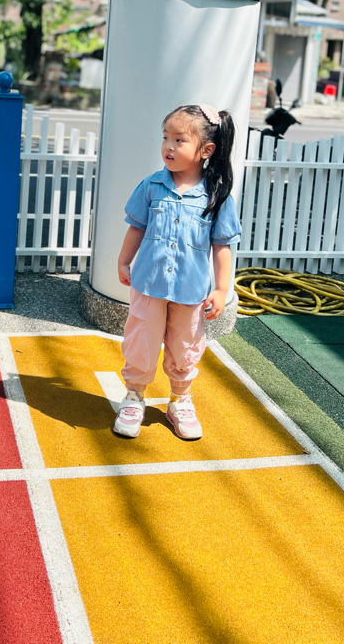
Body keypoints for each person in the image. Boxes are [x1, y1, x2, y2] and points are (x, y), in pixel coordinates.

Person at [113, 104, 242, 441]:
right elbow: (136, 227)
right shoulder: (152, 186)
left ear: (206, 150)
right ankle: (134, 396)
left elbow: (222, 246)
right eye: (165, 138)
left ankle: (180, 400)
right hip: (148, 284)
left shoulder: (216, 196)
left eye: (179, 140)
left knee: (185, 345)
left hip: (191, 290)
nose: (168, 146)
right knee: (141, 340)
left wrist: (221, 289)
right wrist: (124, 261)